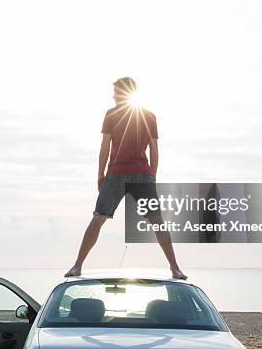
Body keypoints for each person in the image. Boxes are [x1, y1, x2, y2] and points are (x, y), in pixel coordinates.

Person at [64, 77, 187, 279]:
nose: (113, 96)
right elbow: (154, 150)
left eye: (116, 92)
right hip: (142, 174)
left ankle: (77, 266)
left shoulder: (111, 114)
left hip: (117, 173)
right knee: (157, 221)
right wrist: (152, 176)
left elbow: (105, 147)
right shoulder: (149, 115)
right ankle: (175, 268)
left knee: (99, 217)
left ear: (125, 92)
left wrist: (100, 175)